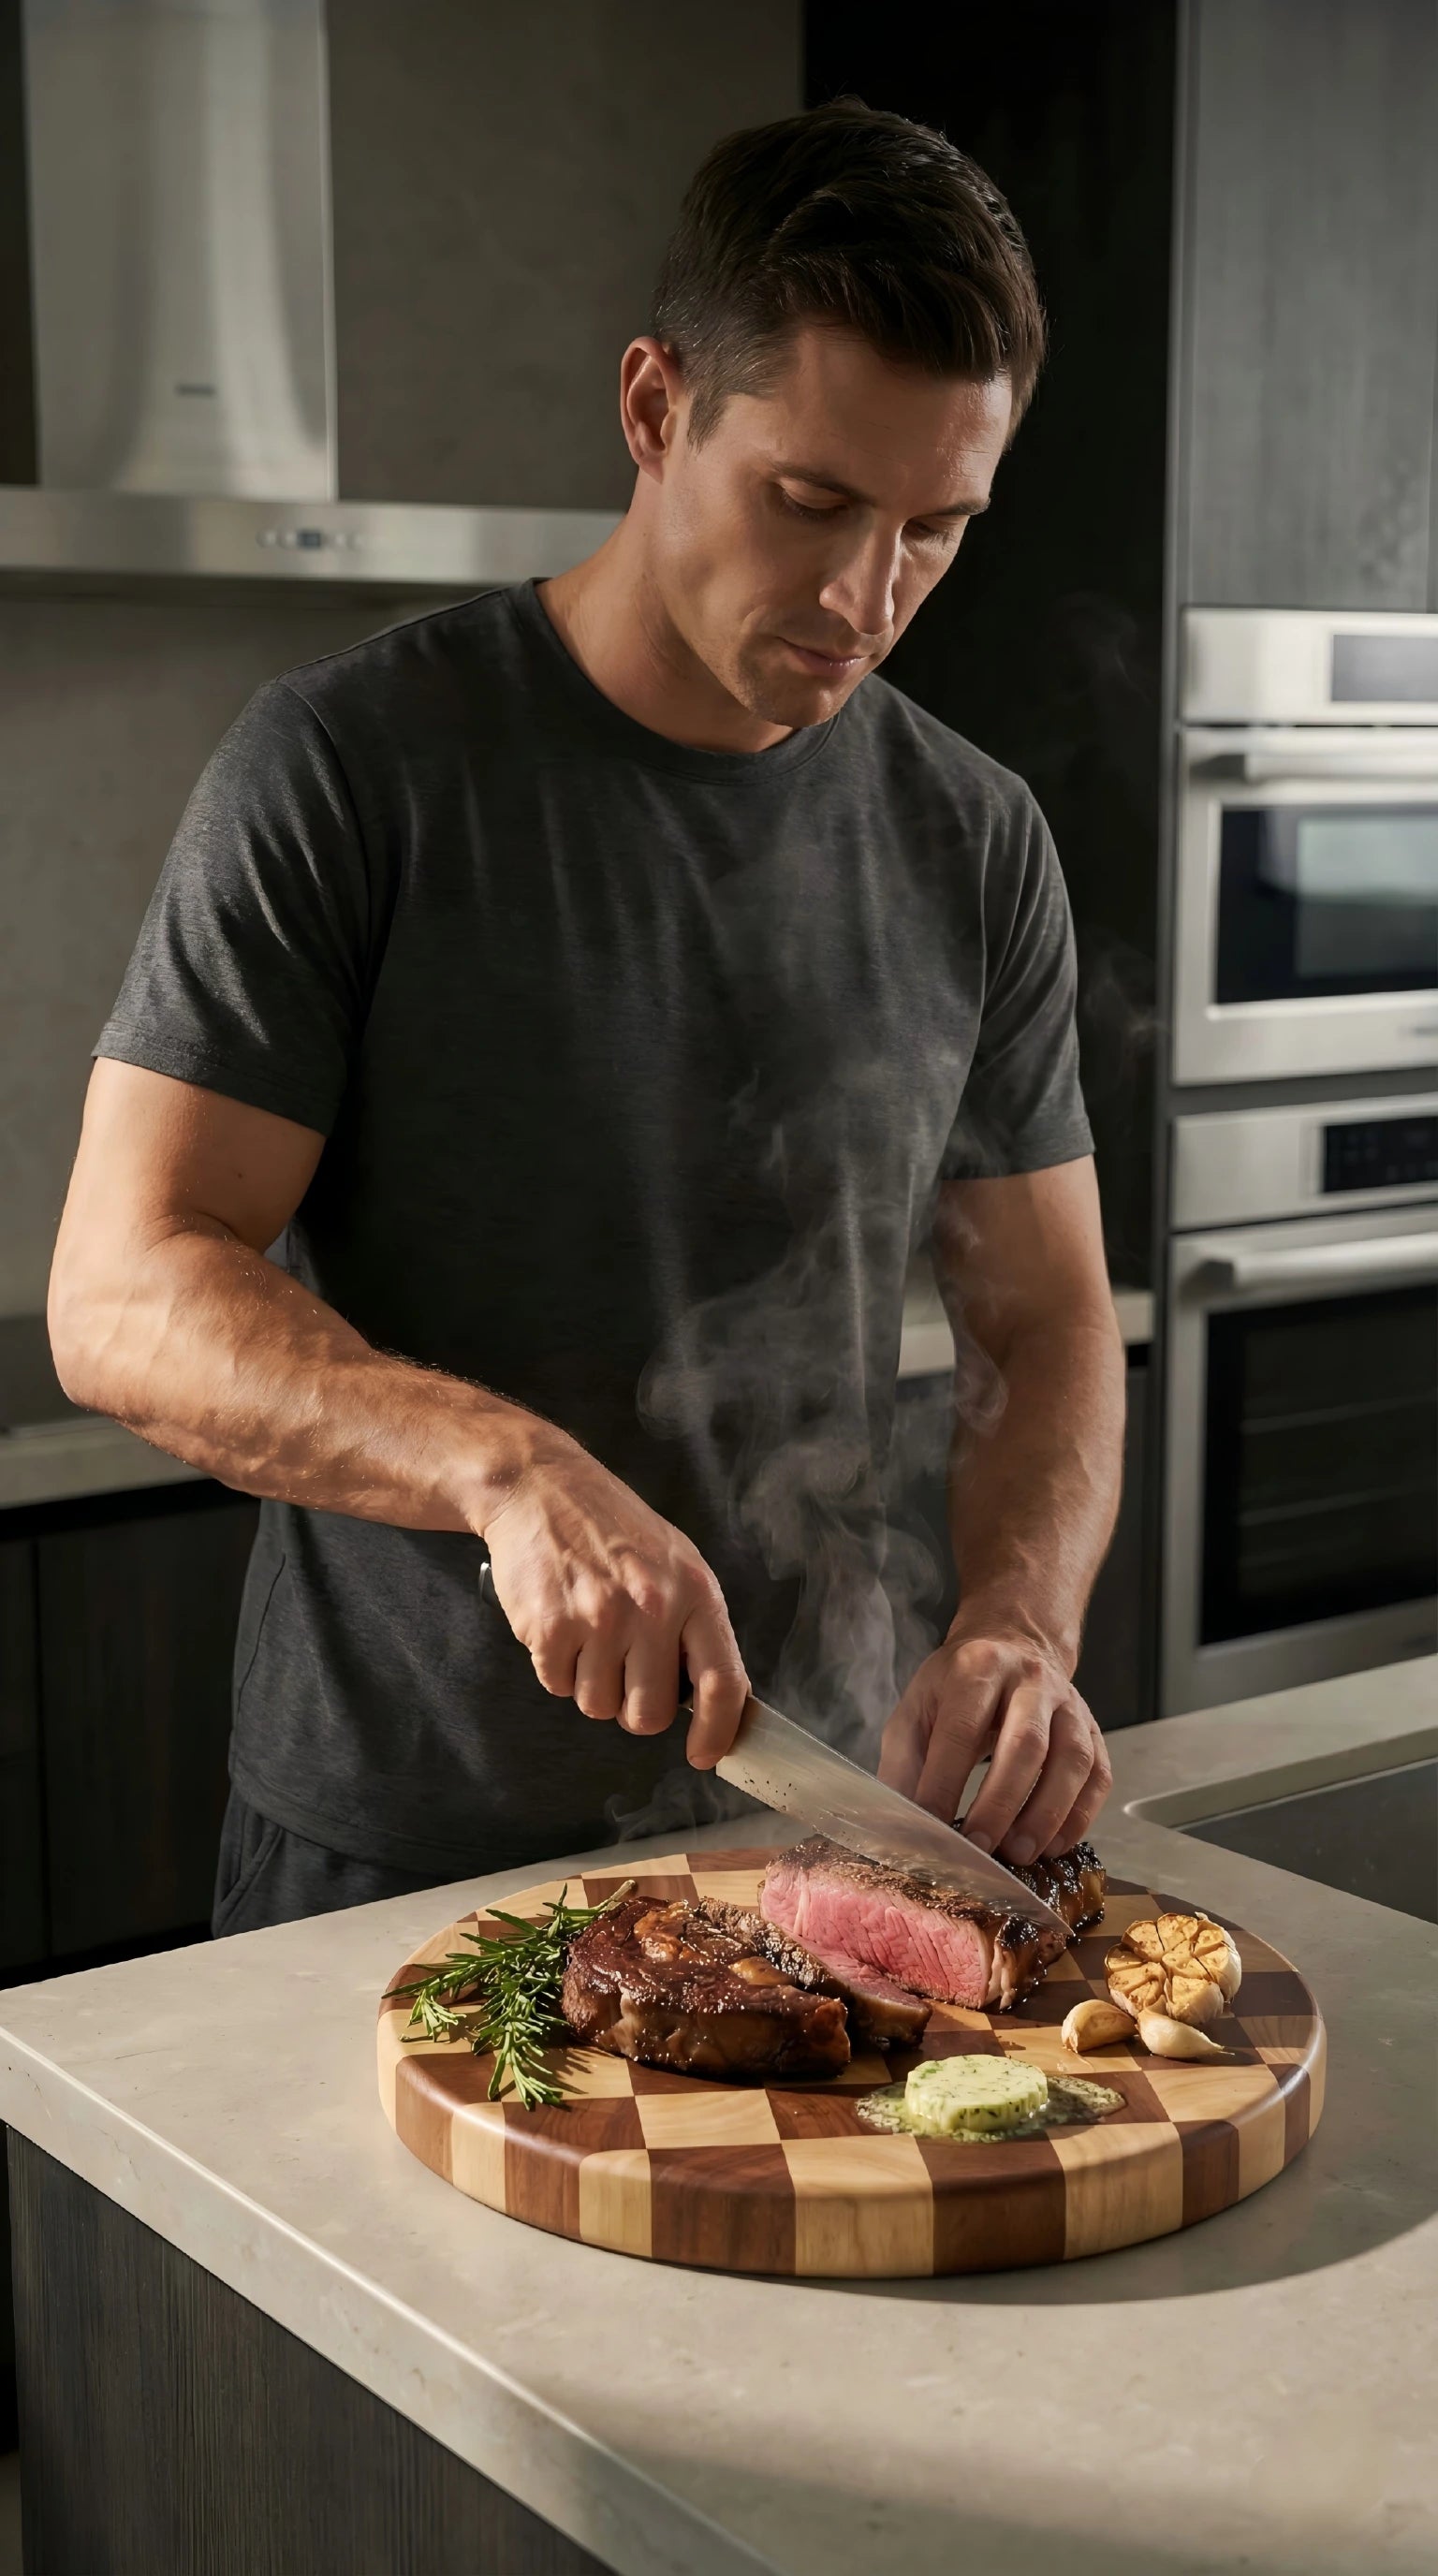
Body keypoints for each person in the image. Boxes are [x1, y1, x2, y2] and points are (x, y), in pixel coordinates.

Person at [48, 101, 1123, 1937]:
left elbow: (1050, 1316)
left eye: (938, 531)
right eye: (813, 502)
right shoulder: (352, 769)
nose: (870, 599)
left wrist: (1017, 1618)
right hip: (393, 1851)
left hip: (817, 1834)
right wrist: (505, 1467)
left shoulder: (973, 837)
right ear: (653, 409)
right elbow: (121, 1287)